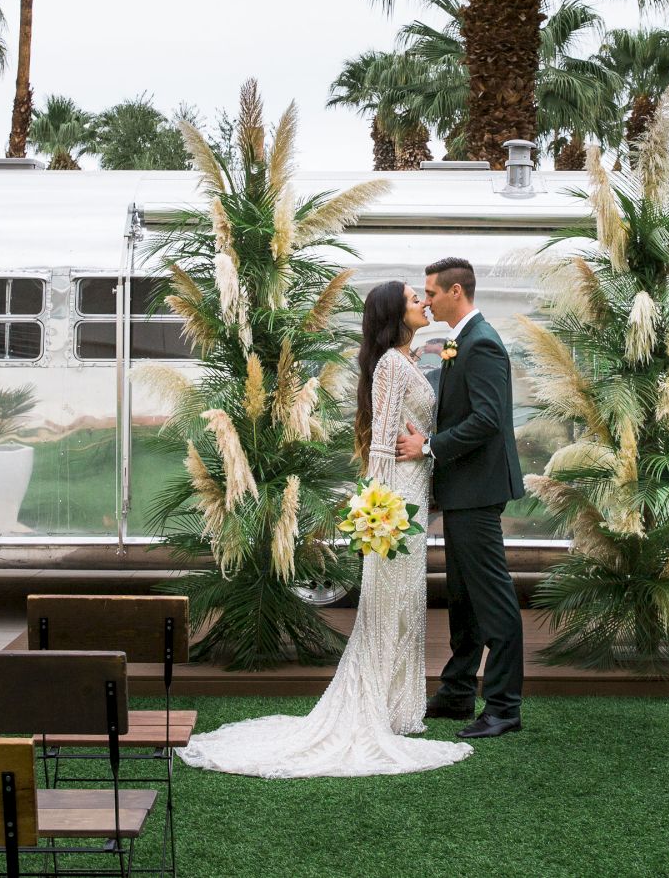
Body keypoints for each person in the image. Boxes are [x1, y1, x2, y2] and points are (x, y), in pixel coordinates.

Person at [175, 280, 472, 778]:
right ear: (395, 315)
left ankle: (398, 707)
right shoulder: (389, 366)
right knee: (388, 600)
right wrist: (377, 509)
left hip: (414, 488)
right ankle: (378, 706)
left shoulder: (406, 358)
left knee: (404, 601)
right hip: (397, 494)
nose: (424, 302)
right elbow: (380, 443)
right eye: (414, 299)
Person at [398, 255, 525, 739]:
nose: (426, 300)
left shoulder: (483, 344)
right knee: (463, 598)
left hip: (479, 491)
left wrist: (427, 447)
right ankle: (455, 692)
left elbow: (488, 420)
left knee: (492, 600)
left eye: (431, 293)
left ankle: (504, 707)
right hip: (462, 490)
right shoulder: (462, 341)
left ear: (455, 292)